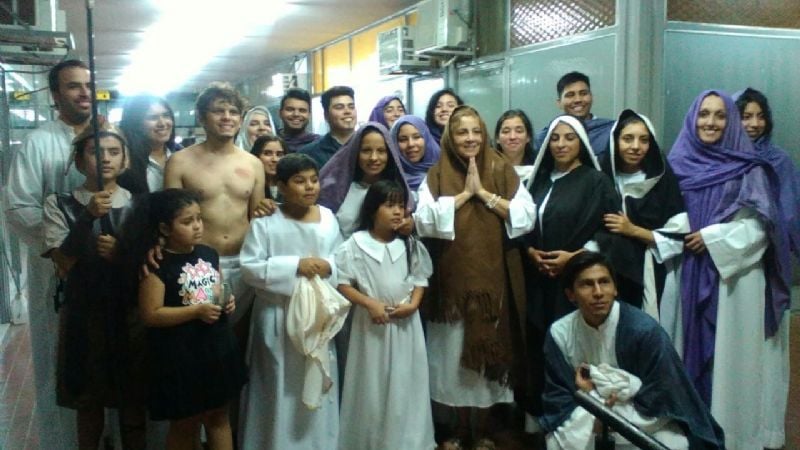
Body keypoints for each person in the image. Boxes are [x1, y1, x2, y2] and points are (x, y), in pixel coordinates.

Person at [667, 90, 791, 450]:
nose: (711, 122)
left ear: (730, 121)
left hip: (733, 280)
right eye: (704, 114)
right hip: (688, 272)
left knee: (730, 368)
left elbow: (761, 230)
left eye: (720, 116)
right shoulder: (677, 164)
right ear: (693, 117)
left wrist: (714, 237)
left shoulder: (751, 169)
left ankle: (732, 436)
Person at [414, 105, 535, 449]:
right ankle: (457, 428)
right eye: (461, 132)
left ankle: (482, 429)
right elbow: (422, 220)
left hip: (492, 283)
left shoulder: (501, 168)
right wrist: (464, 195)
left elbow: (527, 216)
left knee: (486, 359)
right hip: (450, 287)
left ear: (484, 134)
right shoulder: (436, 174)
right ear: (450, 137)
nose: (469, 139)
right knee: (452, 359)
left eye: (475, 132)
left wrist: (485, 194)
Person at [540, 251, 725, 450]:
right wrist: (595, 406)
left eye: (604, 282)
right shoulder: (560, 333)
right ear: (570, 294)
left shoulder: (644, 331)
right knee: (556, 441)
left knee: (673, 443)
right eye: (587, 284)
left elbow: (663, 395)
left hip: (643, 416)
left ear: (615, 289)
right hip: (585, 414)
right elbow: (558, 398)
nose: (598, 292)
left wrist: (602, 398)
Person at [42, 124, 148, 449]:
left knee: (133, 403)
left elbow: (151, 268)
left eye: (114, 152)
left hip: (129, 316)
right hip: (84, 317)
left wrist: (122, 255)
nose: (105, 159)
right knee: (88, 404)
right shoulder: (58, 203)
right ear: (78, 160)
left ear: (125, 159)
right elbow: (64, 262)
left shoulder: (141, 205)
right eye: (95, 151)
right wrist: (87, 218)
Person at [4, 59, 92, 448]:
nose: (84, 93)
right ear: (56, 95)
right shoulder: (40, 142)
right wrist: (58, 248)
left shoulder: (109, 137)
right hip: (58, 273)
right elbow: (18, 206)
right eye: (73, 86)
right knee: (62, 360)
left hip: (107, 270)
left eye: (88, 85)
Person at [521, 115, 620, 427]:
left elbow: (610, 231)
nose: (561, 144)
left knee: (572, 350)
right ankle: (541, 420)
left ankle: (575, 420)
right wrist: (531, 252)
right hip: (539, 281)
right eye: (555, 138)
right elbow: (521, 227)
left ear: (582, 143)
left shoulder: (596, 181)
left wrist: (574, 257)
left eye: (569, 138)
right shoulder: (537, 182)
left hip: (576, 283)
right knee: (540, 348)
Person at [239, 153, 342, 449]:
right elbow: (250, 267)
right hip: (277, 315)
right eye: (299, 181)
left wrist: (329, 267)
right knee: (277, 384)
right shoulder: (266, 221)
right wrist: (295, 265)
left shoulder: (328, 217)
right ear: (280, 186)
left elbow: (342, 259)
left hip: (318, 316)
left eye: (313, 180)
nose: (309, 187)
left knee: (317, 378)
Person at [138, 188, 245, 450]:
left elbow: (217, 288)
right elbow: (151, 314)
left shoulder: (209, 253)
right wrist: (195, 312)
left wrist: (226, 301)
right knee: (185, 422)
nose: (197, 226)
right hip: (180, 354)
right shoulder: (157, 264)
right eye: (187, 222)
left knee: (219, 416)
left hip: (216, 346)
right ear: (164, 227)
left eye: (199, 218)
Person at [335, 180, 436, 450]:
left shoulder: (409, 244)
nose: (397, 212)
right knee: (372, 384)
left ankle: (408, 441)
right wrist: (369, 303)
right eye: (389, 205)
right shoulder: (355, 244)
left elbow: (420, 279)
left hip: (406, 325)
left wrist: (413, 305)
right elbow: (342, 283)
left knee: (406, 381)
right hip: (371, 326)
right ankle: (372, 441)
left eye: (401, 206)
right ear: (372, 209)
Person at [163, 82, 265, 323]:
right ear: (201, 117)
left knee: (242, 334)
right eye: (218, 111)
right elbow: (168, 217)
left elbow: (258, 219)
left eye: (233, 112)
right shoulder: (180, 162)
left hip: (245, 260)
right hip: (198, 261)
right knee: (206, 332)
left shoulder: (253, 164)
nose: (227, 117)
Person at [734, 88, 797, 450]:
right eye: (746, 116)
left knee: (768, 348)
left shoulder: (779, 161)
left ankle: (766, 430)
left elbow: (788, 214)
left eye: (760, 116)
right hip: (731, 264)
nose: (754, 124)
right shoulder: (724, 159)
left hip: (767, 264)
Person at [597, 110, 686, 317]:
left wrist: (632, 230)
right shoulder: (601, 179)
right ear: (615, 141)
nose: (636, 147)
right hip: (605, 273)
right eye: (628, 139)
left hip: (651, 273)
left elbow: (678, 237)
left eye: (644, 140)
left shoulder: (662, 180)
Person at [317, 122, 411, 240]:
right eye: (366, 150)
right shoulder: (336, 191)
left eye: (381, 151)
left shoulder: (398, 192)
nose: (374, 158)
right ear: (355, 152)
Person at [534, 72, 614, 156]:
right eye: (570, 95)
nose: (578, 100)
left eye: (583, 93)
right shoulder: (545, 138)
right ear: (559, 103)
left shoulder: (611, 131)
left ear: (591, 97)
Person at [118, 94, 179, 193]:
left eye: (166, 115)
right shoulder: (126, 160)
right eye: (153, 118)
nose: (162, 123)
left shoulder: (180, 153)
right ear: (136, 123)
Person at [299, 85, 357, 167]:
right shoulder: (309, 154)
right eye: (339, 107)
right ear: (326, 115)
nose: (347, 111)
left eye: (351, 107)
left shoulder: (368, 147)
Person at [390, 115, 441, 197]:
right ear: (394, 144)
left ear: (427, 139)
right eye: (403, 139)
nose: (411, 144)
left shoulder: (444, 170)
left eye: (417, 137)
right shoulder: (388, 179)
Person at [495, 109, 536, 187]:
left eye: (519, 131)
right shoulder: (489, 170)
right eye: (506, 131)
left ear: (528, 137)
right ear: (497, 138)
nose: (512, 137)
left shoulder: (539, 172)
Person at [277, 87, 319, 153]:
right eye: (290, 109)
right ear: (280, 113)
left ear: (309, 114)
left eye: (302, 110)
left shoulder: (319, 144)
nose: (296, 114)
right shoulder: (270, 142)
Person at [249, 135, 287, 201]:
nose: (274, 159)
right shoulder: (248, 186)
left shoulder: (290, 186)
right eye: (267, 153)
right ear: (256, 156)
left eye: (279, 154)